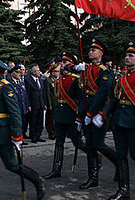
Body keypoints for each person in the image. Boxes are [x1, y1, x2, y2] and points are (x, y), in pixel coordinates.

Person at [0, 53, 45, 200]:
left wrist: (17, 136)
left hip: (3, 133)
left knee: (12, 165)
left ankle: (37, 180)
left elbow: (15, 113)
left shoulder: (5, 87)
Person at [73, 38, 118, 189]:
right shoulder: (85, 70)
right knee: (90, 146)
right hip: (87, 114)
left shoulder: (104, 71)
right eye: (90, 50)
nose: (90, 52)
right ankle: (93, 178)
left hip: (98, 114)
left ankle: (119, 162)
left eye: (94, 50)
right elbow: (83, 94)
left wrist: (91, 114)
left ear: (100, 53)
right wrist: (80, 116)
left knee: (99, 145)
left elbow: (102, 95)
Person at [44, 51, 87, 179]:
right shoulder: (59, 79)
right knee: (59, 142)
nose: (62, 64)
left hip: (71, 115)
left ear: (72, 64)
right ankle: (56, 169)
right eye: (61, 62)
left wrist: (80, 117)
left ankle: (95, 157)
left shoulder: (76, 79)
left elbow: (82, 100)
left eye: (65, 62)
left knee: (77, 143)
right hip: (60, 115)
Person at [101, 41, 135, 200]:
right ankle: (124, 190)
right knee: (121, 156)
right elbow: (115, 99)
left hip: (133, 123)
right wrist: (103, 113)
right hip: (120, 122)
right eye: (126, 55)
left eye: (131, 55)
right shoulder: (123, 77)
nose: (127, 58)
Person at [24, 64, 47, 143]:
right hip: (33, 104)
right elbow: (27, 93)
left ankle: (38, 135)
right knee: (33, 121)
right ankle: (33, 136)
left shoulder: (40, 80)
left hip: (40, 103)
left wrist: (44, 103)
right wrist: (29, 104)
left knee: (40, 121)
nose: (39, 72)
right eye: (38, 71)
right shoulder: (28, 80)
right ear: (33, 72)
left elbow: (43, 92)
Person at [9, 64, 29, 145]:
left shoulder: (21, 82)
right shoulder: (10, 83)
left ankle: (21, 138)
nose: (20, 74)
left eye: (20, 72)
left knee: (22, 124)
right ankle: (14, 139)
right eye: (18, 72)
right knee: (16, 125)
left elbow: (25, 95)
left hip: (23, 107)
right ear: (13, 73)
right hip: (16, 108)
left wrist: (27, 106)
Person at [44, 63, 60, 140]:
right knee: (50, 120)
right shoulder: (48, 80)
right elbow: (47, 94)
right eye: (56, 71)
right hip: (52, 103)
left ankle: (55, 132)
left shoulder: (57, 80)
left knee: (56, 119)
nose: (58, 73)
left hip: (57, 103)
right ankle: (51, 133)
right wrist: (49, 105)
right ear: (52, 72)